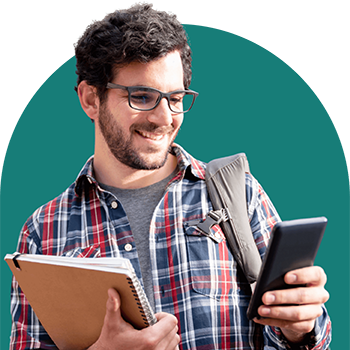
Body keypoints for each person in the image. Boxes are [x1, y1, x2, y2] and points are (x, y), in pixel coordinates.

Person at [10, 4, 331, 350]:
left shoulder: (238, 194)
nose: (164, 118)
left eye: (175, 99)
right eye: (142, 97)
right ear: (91, 99)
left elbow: (302, 337)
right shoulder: (43, 232)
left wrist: (300, 327)